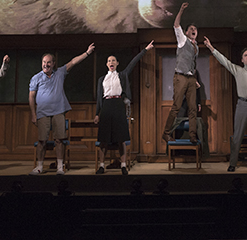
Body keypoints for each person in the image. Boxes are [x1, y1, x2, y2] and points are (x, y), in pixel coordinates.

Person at [204, 37, 247, 173]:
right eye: (245, 55)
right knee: (238, 134)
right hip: (242, 104)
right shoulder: (238, 70)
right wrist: (211, 48)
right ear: (242, 59)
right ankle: (233, 163)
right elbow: (224, 61)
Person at [29, 43, 95, 175]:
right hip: (42, 113)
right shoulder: (36, 78)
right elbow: (31, 97)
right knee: (42, 140)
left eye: (48, 62)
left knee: (59, 140)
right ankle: (39, 167)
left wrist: (87, 53)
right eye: (44, 62)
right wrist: (33, 114)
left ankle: (60, 166)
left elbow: (73, 62)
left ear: (53, 63)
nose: (46, 65)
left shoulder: (60, 73)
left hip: (58, 112)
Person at [94, 41, 155, 175]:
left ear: (117, 63)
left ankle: (122, 165)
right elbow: (99, 98)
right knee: (103, 139)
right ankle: (102, 166)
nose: (111, 62)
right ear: (106, 64)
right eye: (109, 61)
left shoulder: (122, 75)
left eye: (113, 60)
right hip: (106, 106)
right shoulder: (101, 79)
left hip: (118, 105)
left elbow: (133, 62)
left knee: (121, 138)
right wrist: (97, 114)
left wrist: (145, 50)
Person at [162, 2, 199, 144]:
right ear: (187, 32)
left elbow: (193, 64)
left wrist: (194, 78)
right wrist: (181, 10)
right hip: (180, 77)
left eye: (195, 29)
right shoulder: (183, 40)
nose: (194, 30)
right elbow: (176, 25)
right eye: (191, 28)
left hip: (190, 78)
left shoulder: (196, 46)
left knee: (193, 109)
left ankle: (193, 136)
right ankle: (166, 133)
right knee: (177, 106)